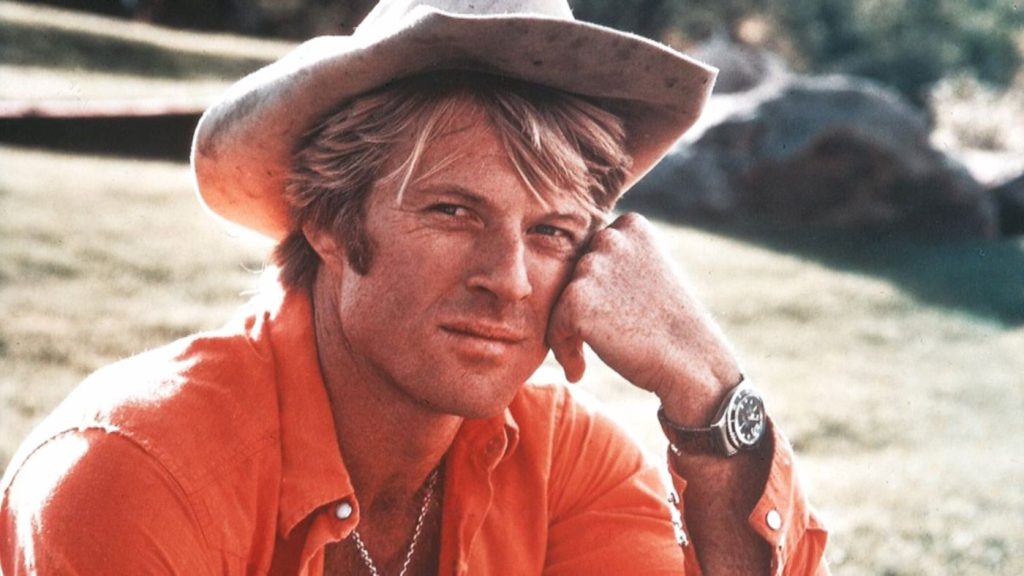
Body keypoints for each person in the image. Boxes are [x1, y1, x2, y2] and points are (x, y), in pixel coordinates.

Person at [0, 0, 828, 574]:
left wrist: (709, 390)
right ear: (328, 220)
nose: (508, 281)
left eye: (551, 232)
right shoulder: (135, 474)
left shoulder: (564, 461)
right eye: (452, 211)